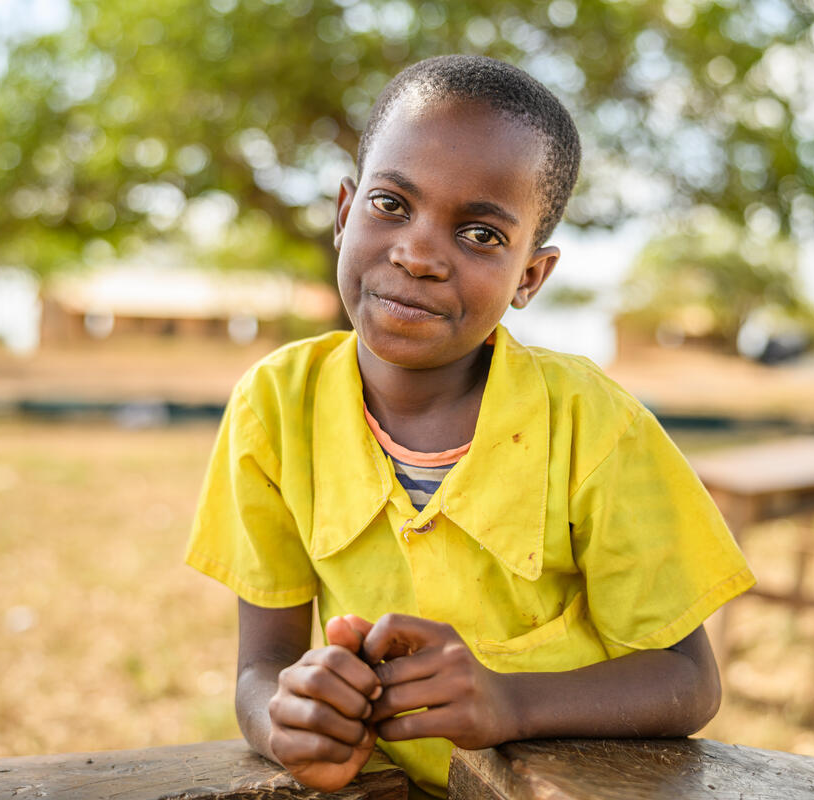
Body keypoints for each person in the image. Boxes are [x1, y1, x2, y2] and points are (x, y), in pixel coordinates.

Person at [186, 54, 755, 798]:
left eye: (481, 234)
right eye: (392, 205)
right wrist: (287, 721)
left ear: (530, 277)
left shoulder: (594, 426)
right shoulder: (275, 407)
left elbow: (688, 680)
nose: (418, 254)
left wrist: (510, 703)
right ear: (342, 212)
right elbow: (261, 668)